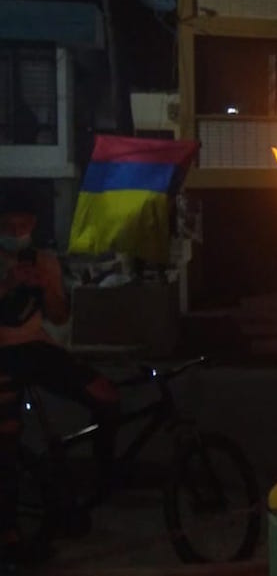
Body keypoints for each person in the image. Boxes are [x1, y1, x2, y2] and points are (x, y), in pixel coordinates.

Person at [0, 199, 119, 567]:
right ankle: (9, 533)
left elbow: (59, 315)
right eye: (12, 222)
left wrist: (50, 285)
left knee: (107, 397)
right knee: (6, 438)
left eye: (26, 221)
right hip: (3, 354)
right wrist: (8, 284)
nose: (20, 230)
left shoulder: (44, 259)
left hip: (38, 348)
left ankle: (100, 485)